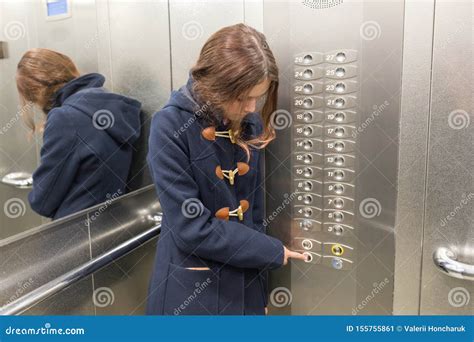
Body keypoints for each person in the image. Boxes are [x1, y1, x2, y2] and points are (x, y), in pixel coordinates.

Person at [146, 24, 306, 316]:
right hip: (193, 292)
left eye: (258, 97)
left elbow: (254, 213)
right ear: (215, 86)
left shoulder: (250, 123)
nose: (251, 107)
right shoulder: (169, 126)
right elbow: (191, 228)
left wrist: (262, 291)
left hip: (246, 286)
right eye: (243, 97)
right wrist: (270, 252)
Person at [16, 48, 141, 219]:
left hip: (75, 234)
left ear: (36, 92)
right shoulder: (110, 103)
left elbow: (42, 200)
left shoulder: (65, 118)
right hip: (111, 224)